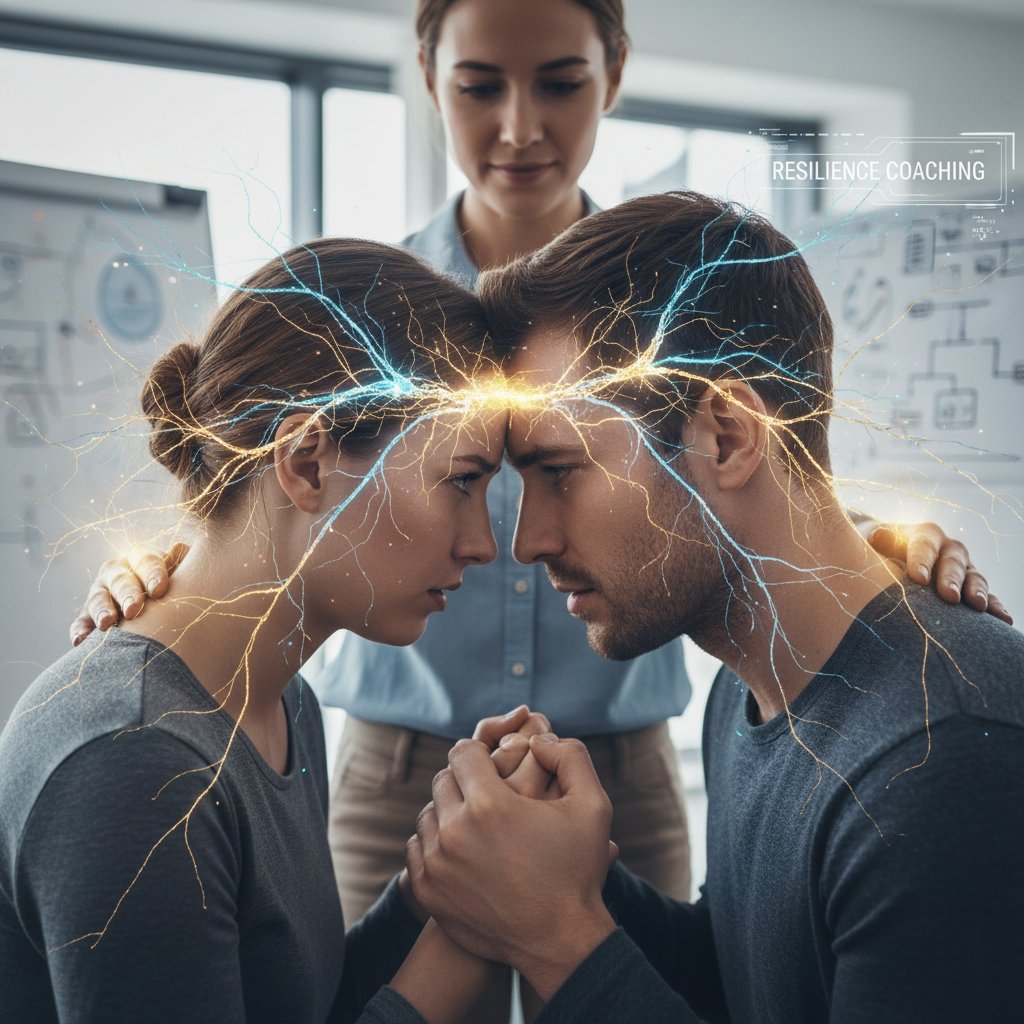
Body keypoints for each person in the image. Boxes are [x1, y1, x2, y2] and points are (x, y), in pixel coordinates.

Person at [70, 1, 1004, 954]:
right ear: (429, 76)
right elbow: (276, 493)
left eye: (561, 83)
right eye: (480, 86)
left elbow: (736, 474)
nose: (520, 127)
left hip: (621, 769)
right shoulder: (375, 318)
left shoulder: (661, 295)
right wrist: (173, 581)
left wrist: (865, 554)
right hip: (396, 765)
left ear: (616, 74)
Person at [404, 192, 1024, 1022]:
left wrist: (556, 936)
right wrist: (561, 879)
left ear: (727, 438)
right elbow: (742, 984)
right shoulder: (748, 688)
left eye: (561, 472)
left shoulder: (937, 760)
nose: (529, 542)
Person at [0, 237, 539, 1024]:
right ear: (308, 461)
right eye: (460, 481)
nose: (484, 545)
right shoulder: (137, 765)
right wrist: (481, 930)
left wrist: (455, 882)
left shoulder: (284, 711)